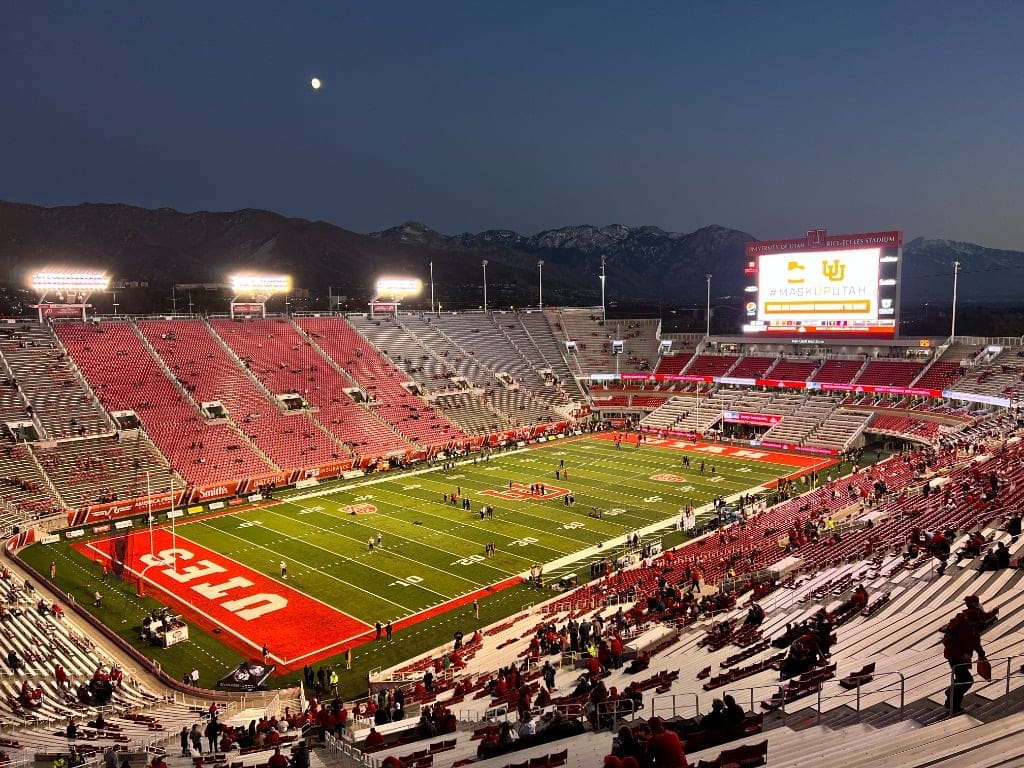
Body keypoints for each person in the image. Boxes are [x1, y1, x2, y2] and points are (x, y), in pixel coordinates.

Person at [941, 595, 990, 714]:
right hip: (956, 656)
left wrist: (981, 653)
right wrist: (980, 653)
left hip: (955, 655)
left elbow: (974, 639)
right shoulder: (968, 621)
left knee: (962, 679)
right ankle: (954, 705)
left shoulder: (966, 619)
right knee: (966, 680)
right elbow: (972, 639)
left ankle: (952, 701)